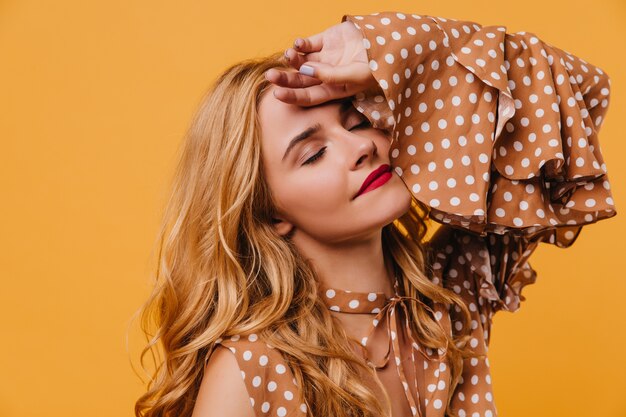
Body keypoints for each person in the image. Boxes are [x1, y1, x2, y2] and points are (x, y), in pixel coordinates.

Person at [134, 10, 615, 417]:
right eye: (313, 154)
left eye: (358, 119)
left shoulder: (449, 299)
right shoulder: (252, 372)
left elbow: (578, 97)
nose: (361, 145)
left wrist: (395, 52)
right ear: (268, 212)